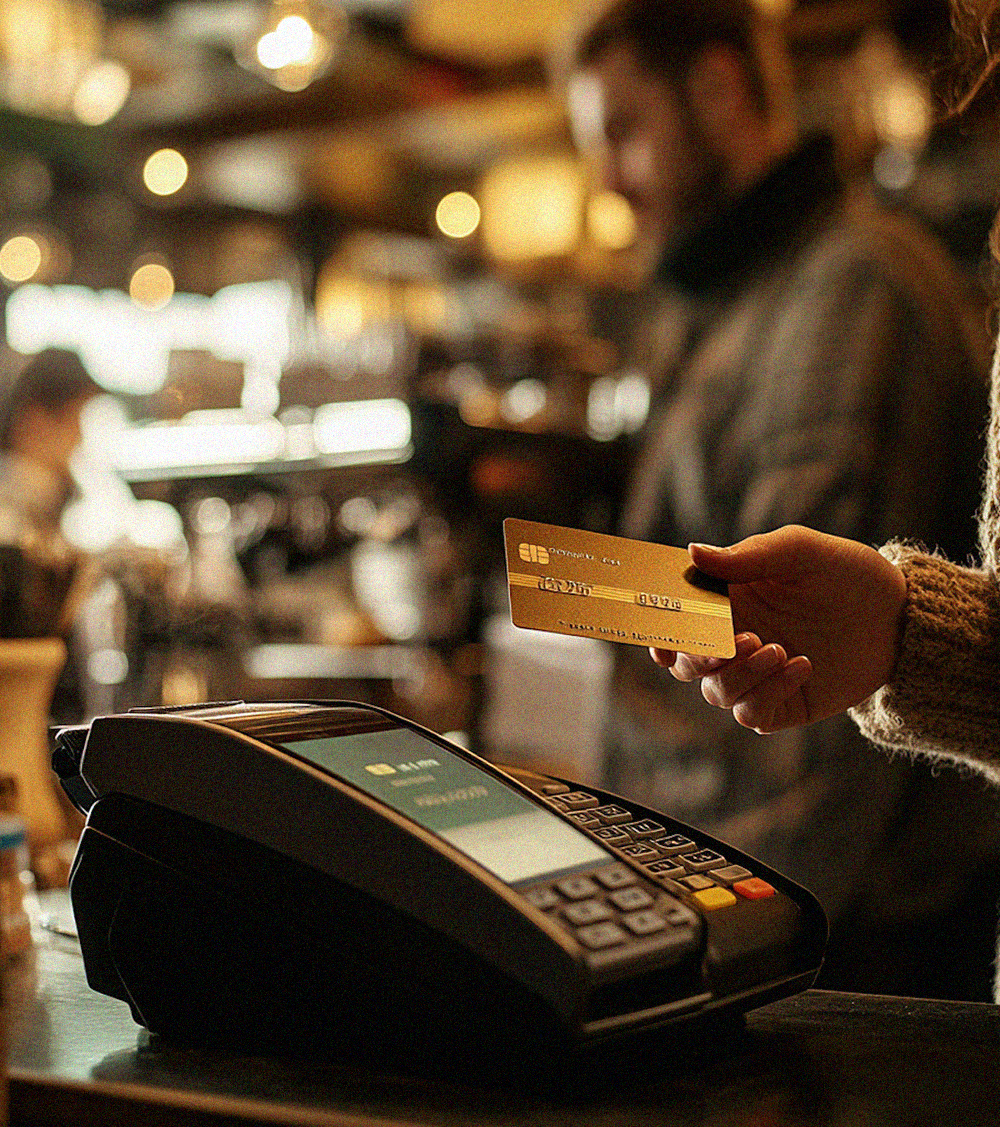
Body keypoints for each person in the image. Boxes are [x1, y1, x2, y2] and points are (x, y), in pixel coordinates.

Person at [566, 0, 1000, 999]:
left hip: (847, 954)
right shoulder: (741, 299)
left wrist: (714, 965)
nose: (607, 182)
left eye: (623, 132)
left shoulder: (845, 290)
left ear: (716, 91)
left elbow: (805, 751)